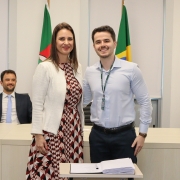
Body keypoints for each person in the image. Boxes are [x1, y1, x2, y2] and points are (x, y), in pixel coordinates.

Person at [83, 25, 152, 180]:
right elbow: (83, 101)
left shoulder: (132, 69)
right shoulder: (90, 72)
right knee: (99, 178)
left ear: (114, 43)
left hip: (125, 136)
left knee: (127, 178)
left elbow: (145, 101)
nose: (102, 45)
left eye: (106, 40)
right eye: (98, 42)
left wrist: (142, 133)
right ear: (94, 46)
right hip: (98, 136)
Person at [26, 22, 84, 180]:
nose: (66, 42)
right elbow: (37, 103)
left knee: (71, 172)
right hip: (52, 131)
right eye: (62, 39)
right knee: (50, 173)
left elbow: (79, 100)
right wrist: (38, 135)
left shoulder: (76, 67)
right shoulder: (45, 67)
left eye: (70, 39)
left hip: (74, 130)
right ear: (54, 41)